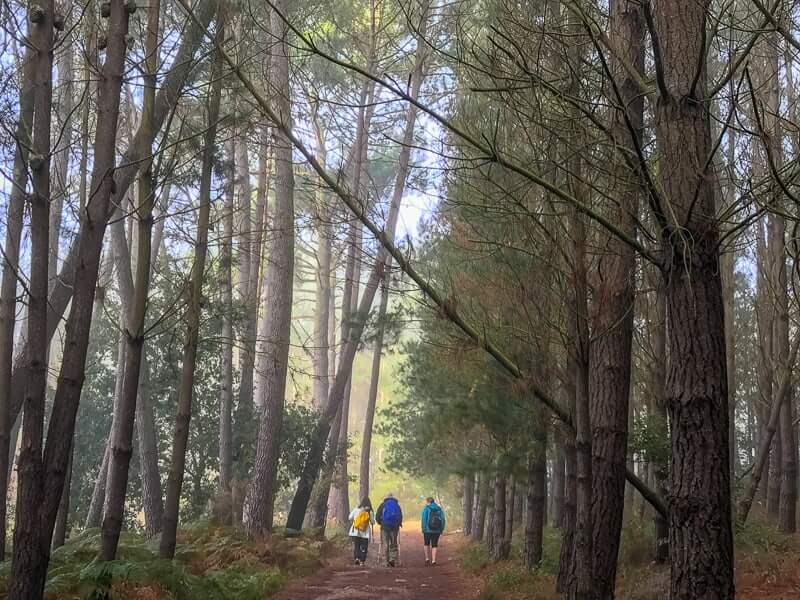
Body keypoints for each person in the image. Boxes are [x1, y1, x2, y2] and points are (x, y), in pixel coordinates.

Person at [375, 492, 403, 567]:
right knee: (393, 543)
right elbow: (400, 516)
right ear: (393, 497)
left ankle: (385, 562)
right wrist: (399, 524)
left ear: (386, 497)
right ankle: (392, 559)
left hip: (385, 527)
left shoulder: (383, 505)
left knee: (385, 543)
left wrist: (380, 523)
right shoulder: (396, 505)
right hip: (394, 527)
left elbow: (377, 516)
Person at [348, 497, 374, 566]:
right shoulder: (370, 511)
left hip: (356, 531)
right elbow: (372, 522)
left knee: (357, 545)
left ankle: (357, 558)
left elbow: (349, 517)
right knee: (364, 547)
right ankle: (362, 561)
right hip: (365, 532)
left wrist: (355, 521)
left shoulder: (356, 509)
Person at [421, 496, 445, 566]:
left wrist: (423, 529)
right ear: (433, 501)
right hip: (437, 530)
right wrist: (441, 529)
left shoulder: (426, 508)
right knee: (434, 545)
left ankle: (427, 559)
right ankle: (434, 560)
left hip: (427, 530)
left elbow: (424, 519)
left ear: (428, 501)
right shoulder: (439, 509)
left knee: (426, 544)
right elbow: (443, 519)